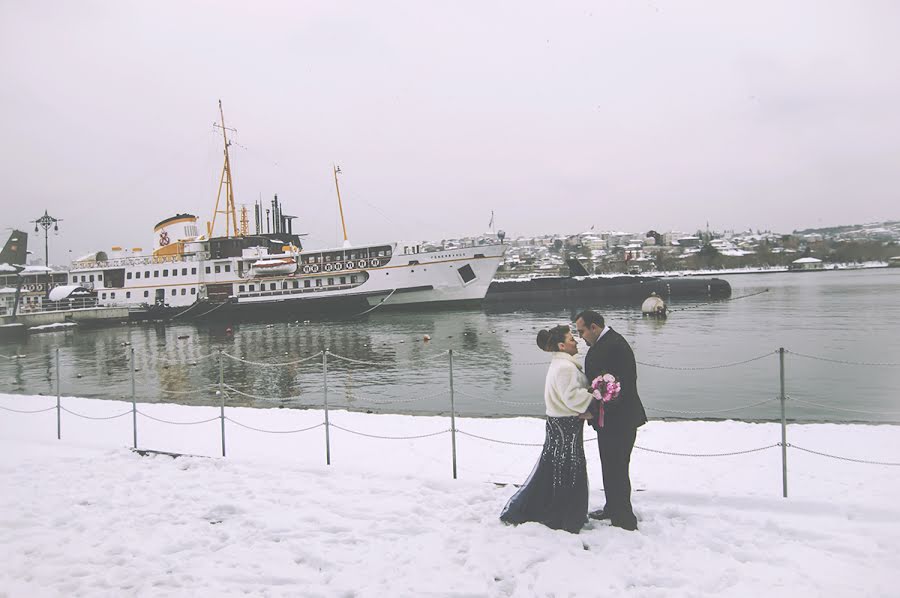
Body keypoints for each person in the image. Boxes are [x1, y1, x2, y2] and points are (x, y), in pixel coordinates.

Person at [499, 325, 594, 533]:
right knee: (567, 468)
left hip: (559, 422)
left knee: (556, 467)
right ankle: (562, 513)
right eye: (571, 339)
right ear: (562, 345)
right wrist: (595, 399)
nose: (575, 341)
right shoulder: (566, 368)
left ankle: (556, 508)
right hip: (566, 425)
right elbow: (571, 397)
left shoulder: (560, 364)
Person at [575, 310, 647, 531]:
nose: (580, 336)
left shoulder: (613, 346)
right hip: (611, 419)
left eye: (582, 331)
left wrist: (592, 411)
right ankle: (613, 507)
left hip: (619, 419)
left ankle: (624, 518)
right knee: (611, 466)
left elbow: (615, 388)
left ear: (594, 327)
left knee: (617, 467)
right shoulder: (606, 343)